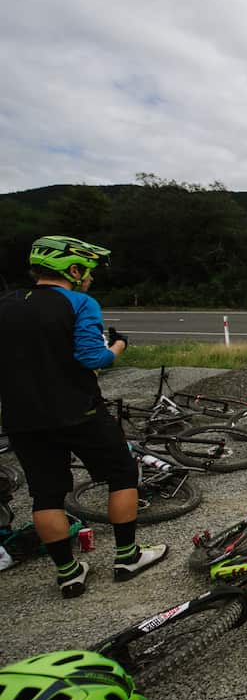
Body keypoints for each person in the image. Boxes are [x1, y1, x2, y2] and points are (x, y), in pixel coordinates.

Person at [0, 236, 167, 598]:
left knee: (46, 496)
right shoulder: (79, 303)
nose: (89, 278)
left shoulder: (6, 303)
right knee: (122, 474)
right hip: (79, 410)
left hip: (22, 417)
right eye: (87, 271)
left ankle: (68, 573)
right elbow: (94, 358)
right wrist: (118, 345)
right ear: (72, 270)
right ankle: (127, 557)